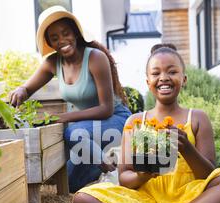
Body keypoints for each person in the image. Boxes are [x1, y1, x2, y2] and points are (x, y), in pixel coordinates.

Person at [72, 44, 220, 203]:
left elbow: (208, 175)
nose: (163, 77)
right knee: (83, 198)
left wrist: (187, 148)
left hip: (192, 199)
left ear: (184, 79)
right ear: (148, 82)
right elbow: (124, 179)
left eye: (172, 71)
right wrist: (144, 174)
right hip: (146, 202)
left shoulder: (197, 118)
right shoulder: (136, 121)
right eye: (156, 73)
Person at [9, 6, 131, 192]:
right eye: (54, 38)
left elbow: (106, 109)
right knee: (71, 182)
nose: (62, 40)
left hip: (115, 121)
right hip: (88, 130)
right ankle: (111, 161)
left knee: (72, 132)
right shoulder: (52, 63)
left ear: (75, 33)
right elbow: (27, 88)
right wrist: (20, 90)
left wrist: (64, 118)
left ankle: (112, 174)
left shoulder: (95, 58)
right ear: (49, 42)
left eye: (66, 33)